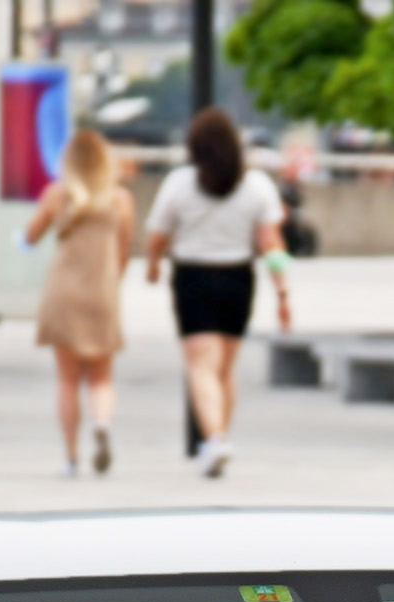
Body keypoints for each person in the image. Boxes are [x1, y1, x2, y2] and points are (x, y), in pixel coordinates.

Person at [145, 108, 290, 479]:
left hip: (194, 277)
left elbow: (158, 234)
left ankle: (215, 439)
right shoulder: (257, 186)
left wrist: (153, 264)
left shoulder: (180, 183)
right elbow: (271, 243)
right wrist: (283, 292)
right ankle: (219, 437)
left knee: (200, 365)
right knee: (225, 367)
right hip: (238, 279)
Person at [26, 128, 135, 477]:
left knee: (68, 380)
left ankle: (71, 458)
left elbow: (31, 236)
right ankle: (102, 424)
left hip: (64, 292)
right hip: (102, 291)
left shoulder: (57, 195)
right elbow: (124, 252)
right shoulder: (120, 200)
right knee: (102, 377)